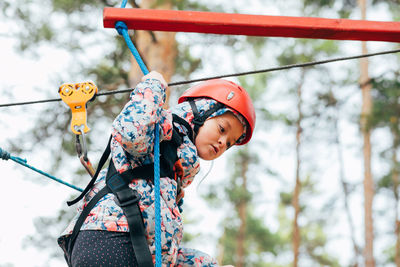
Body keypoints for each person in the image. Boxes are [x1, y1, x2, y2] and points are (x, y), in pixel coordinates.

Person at [57, 71, 256, 267]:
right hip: (109, 239)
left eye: (229, 143)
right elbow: (131, 133)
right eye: (222, 129)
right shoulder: (162, 124)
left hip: (136, 247)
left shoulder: (173, 173)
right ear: (201, 112)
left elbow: (164, 249)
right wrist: (152, 87)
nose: (222, 142)